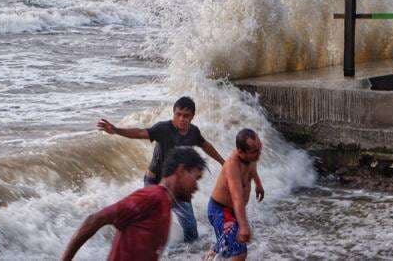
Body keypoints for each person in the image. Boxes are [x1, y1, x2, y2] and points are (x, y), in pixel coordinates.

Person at [98, 96, 263, 242]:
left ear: (192, 116)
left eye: (186, 116)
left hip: (179, 188)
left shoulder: (193, 132)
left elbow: (206, 145)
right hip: (155, 183)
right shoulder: (163, 128)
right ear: (174, 114)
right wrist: (116, 130)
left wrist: (222, 162)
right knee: (151, 226)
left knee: (191, 230)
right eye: (178, 114)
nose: (182, 119)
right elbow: (141, 132)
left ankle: (185, 256)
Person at [61, 147, 207, 261]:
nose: (196, 187)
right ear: (181, 171)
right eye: (196, 178)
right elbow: (94, 219)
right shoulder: (151, 196)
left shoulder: (164, 203)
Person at [207, 128, 264, 260]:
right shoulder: (232, 165)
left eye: (259, 148)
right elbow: (237, 197)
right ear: (240, 152)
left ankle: (212, 254)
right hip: (221, 210)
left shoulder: (251, 155)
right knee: (240, 252)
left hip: (233, 212)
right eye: (255, 151)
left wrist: (258, 184)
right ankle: (216, 252)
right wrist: (244, 226)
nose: (258, 154)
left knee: (228, 245)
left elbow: (252, 168)